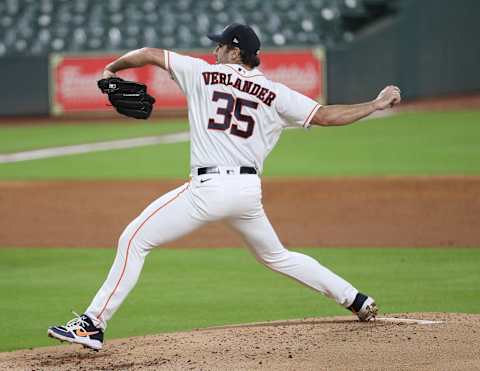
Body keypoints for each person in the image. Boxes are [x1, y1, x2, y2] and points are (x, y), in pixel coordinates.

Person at [47, 23, 401, 351]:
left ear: (235, 52)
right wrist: (377, 103)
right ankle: (356, 299)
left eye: (220, 45)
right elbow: (326, 115)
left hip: (209, 189)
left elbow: (149, 53)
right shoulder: (275, 93)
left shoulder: (201, 72)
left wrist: (112, 69)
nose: (214, 50)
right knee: (278, 257)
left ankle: (92, 324)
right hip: (248, 193)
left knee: (134, 239)